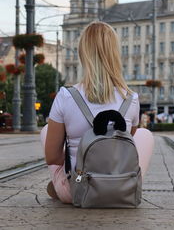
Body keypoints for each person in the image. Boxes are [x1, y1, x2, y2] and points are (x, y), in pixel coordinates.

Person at [41, 21, 155, 203]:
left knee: (47, 130)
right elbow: (126, 146)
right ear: (115, 54)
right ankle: (129, 184)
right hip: (121, 190)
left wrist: (76, 153)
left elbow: (52, 157)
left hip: (76, 192)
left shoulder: (65, 96)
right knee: (144, 134)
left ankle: (60, 183)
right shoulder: (131, 99)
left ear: (82, 54)